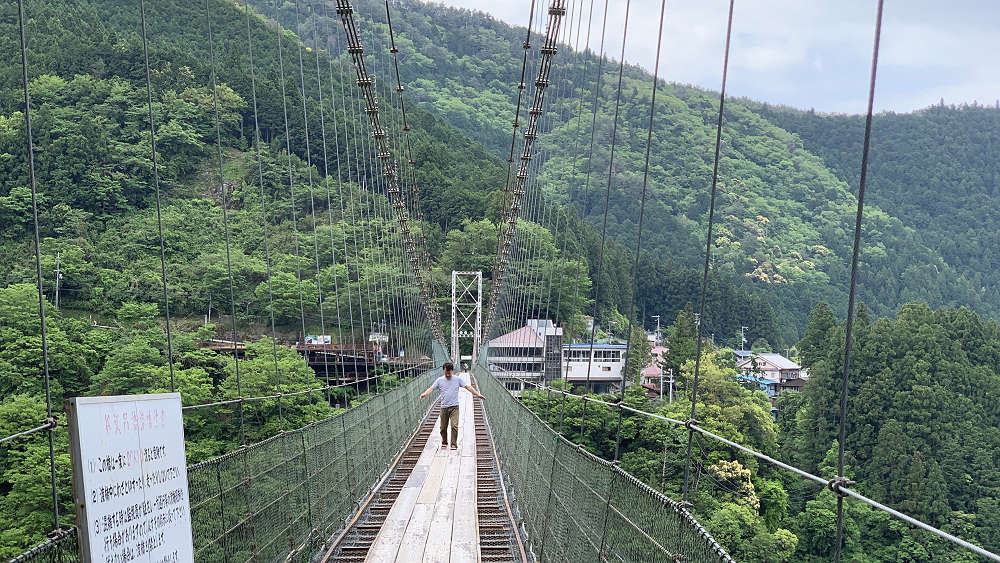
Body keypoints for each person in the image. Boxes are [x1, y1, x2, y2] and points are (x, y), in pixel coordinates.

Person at [419, 362, 485, 450]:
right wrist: (425, 393)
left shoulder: (457, 379)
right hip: (444, 407)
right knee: (443, 428)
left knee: (454, 426)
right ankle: (444, 442)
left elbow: (468, 387)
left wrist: (477, 394)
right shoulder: (439, 380)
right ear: (443, 371)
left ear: (452, 371)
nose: (447, 374)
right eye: (446, 372)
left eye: (449, 373)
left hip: (454, 407)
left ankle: (453, 444)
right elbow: (432, 388)